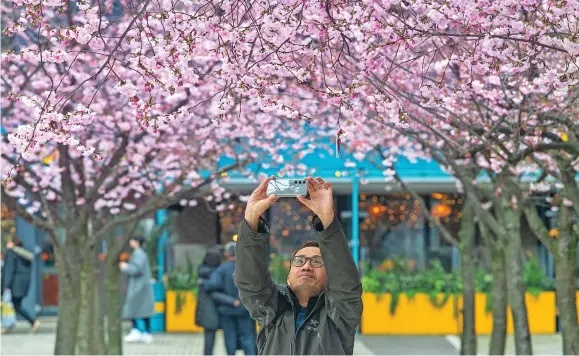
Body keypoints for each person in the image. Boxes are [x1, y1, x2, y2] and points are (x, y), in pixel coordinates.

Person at [234, 176, 363, 355]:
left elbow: (346, 283)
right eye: (299, 261)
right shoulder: (271, 310)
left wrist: (327, 219)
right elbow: (249, 280)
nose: (307, 266)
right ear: (288, 275)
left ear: (330, 276)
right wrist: (251, 219)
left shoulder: (339, 314)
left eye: (317, 262)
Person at [203, 242, 257, 355]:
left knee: (229, 339)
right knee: (247, 337)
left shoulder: (222, 269)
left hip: (226, 310)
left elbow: (212, 285)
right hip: (244, 310)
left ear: (227, 254)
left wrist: (203, 282)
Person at [196, 249, 242, 355]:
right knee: (230, 336)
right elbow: (215, 293)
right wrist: (232, 301)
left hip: (208, 312)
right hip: (222, 309)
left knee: (209, 339)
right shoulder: (219, 273)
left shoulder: (202, 274)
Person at [120, 236, 155, 343]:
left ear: (136, 242)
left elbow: (137, 269)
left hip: (138, 286)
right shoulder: (140, 253)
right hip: (141, 286)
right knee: (143, 310)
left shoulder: (138, 254)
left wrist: (125, 267)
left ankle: (138, 331)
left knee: (134, 308)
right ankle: (145, 332)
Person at [1, 238, 40, 334]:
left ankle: (32, 322)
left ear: (13, 244)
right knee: (13, 306)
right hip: (22, 284)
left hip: (14, 284)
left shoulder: (11, 253)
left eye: (9, 242)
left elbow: (9, 270)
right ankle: (9, 326)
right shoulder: (24, 254)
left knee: (15, 306)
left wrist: (5, 286)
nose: (7, 243)